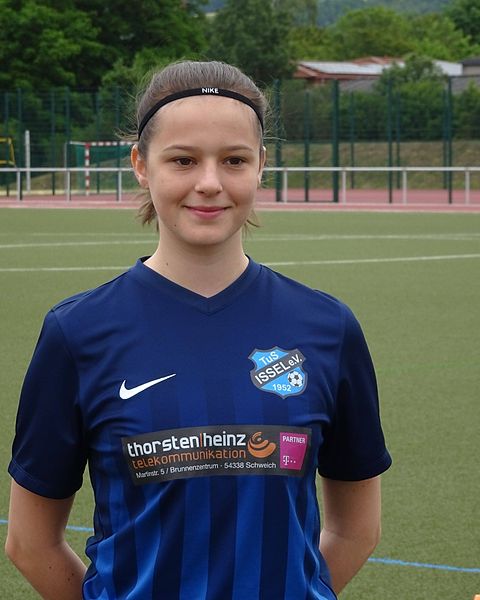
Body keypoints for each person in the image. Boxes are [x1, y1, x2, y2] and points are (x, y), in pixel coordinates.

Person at [6, 60, 392, 600]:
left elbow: (356, 529)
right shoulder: (77, 332)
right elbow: (30, 543)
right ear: (141, 165)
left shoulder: (328, 327)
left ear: (261, 165)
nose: (209, 183)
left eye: (233, 160)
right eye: (183, 160)